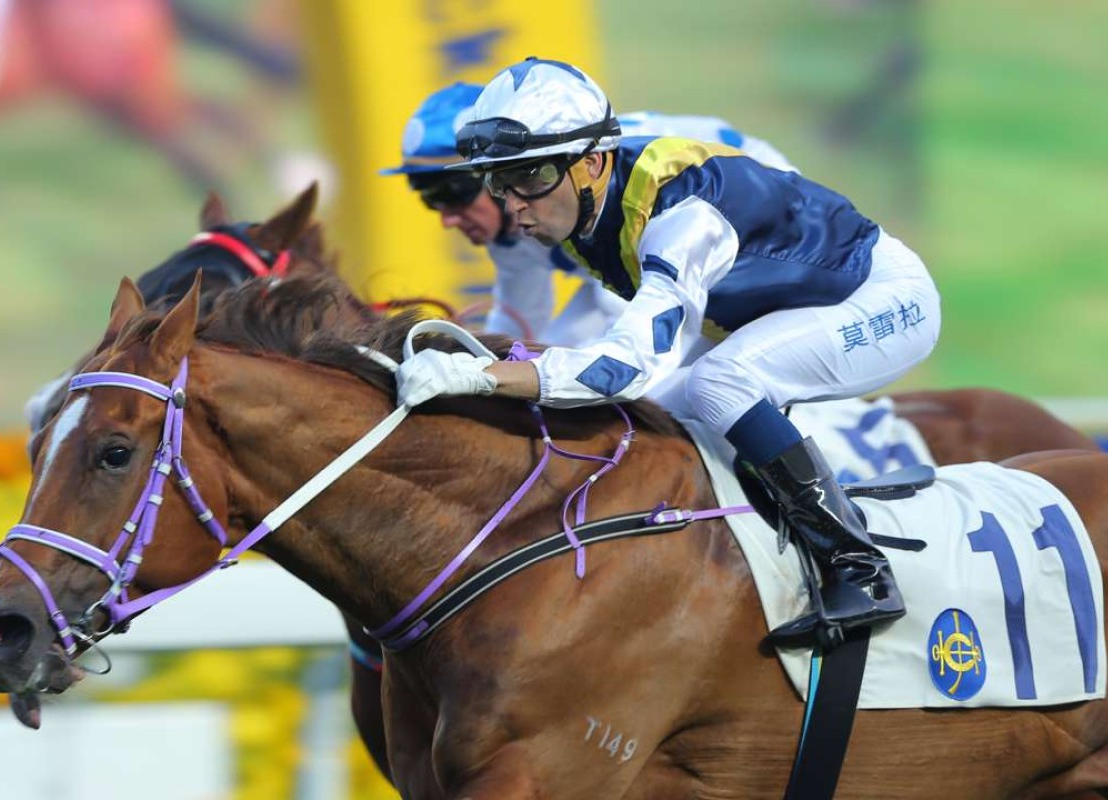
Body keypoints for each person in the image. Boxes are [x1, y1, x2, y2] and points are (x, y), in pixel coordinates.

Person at [395, 57, 941, 647]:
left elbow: (622, 367)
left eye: (529, 177)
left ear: (592, 163)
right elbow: (540, 335)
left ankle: (858, 568)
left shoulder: (681, 215)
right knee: (647, 412)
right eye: (497, 182)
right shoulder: (570, 203)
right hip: (768, 306)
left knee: (717, 383)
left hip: (878, 298)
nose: (513, 204)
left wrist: (482, 377)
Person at [380, 82, 797, 348]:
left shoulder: (604, 172)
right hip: (670, 256)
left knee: (612, 330)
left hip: (767, 217)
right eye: (429, 198)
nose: (447, 219)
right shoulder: (515, 217)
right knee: (560, 347)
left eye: (453, 192)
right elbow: (519, 324)